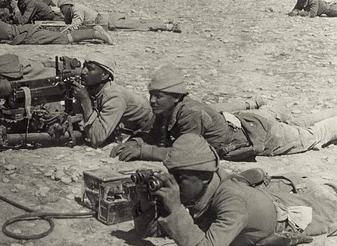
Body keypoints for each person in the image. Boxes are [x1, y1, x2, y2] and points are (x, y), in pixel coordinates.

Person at [133, 133, 337, 246]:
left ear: (205, 177)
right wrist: (146, 200)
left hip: (304, 212)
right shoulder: (198, 188)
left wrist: (176, 208)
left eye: (180, 178)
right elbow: (151, 232)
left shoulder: (230, 201)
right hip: (273, 194)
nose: (174, 183)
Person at [113, 65, 337, 162]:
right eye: (151, 94)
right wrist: (136, 141)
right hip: (248, 122)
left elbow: (185, 155)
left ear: (175, 96)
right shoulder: (168, 108)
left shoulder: (189, 113)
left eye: (159, 96)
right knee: (298, 123)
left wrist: (144, 151)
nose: (152, 100)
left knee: (312, 135)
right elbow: (153, 134)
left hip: (261, 136)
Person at [69, 53, 155, 147]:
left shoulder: (114, 97)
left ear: (105, 75)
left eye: (90, 69)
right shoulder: (91, 87)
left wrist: (85, 100)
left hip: (148, 129)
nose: (83, 72)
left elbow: (97, 139)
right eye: (84, 66)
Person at [0, 0, 113, 45]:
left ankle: (95, 33)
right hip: (25, 32)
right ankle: (94, 33)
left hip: (26, 35)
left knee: (63, 39)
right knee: (62, 36)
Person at [57, 0, 181, 33]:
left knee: (138, 26)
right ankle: (164, 22)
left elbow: (76, 24)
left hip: (108, 21)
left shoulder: (76, 9)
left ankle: (167, 26)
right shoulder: (74, 8)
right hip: (108, 19)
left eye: (62, 9)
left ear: (68, 6)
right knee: (138, 22)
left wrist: (63, 31)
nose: (62, 13)